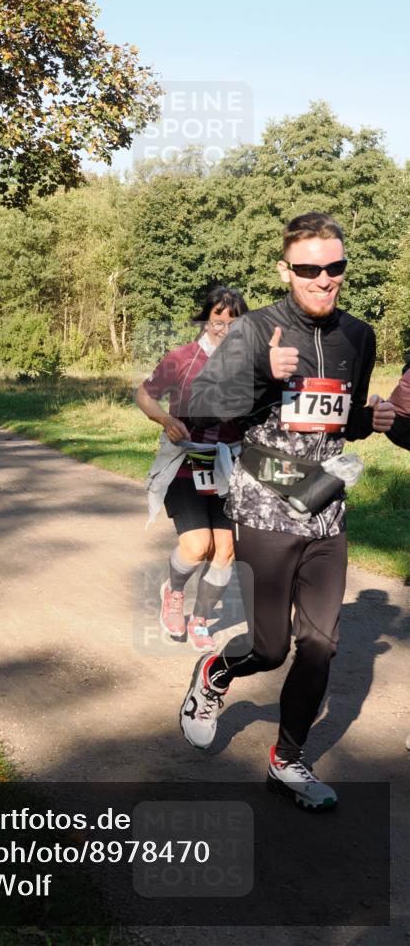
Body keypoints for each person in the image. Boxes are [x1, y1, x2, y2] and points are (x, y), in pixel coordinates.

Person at [179, 212, 395, 811]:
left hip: (325, 506)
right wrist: (259, 373)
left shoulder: (359, 335)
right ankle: (215, 673)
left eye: (334, 266)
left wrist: (371, 420)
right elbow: (201, 406)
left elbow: (343, 421)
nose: (323, 279)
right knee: (270, 649)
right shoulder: (254, 330)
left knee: (321, 644)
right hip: (264, 505)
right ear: (285, 270)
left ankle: (288, 760)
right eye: (308, 269)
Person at [137, 287, 249, 652]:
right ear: (206, 317)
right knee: (199, 545)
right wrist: (166, 419)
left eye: (234, 321)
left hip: (227, 464)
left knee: (226, 550)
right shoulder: (182, 358)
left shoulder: (248, 365)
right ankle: (174, 592)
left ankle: (200, 619)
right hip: (187, 461)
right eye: (219, 317)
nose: (225, 326)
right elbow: (144, 394)